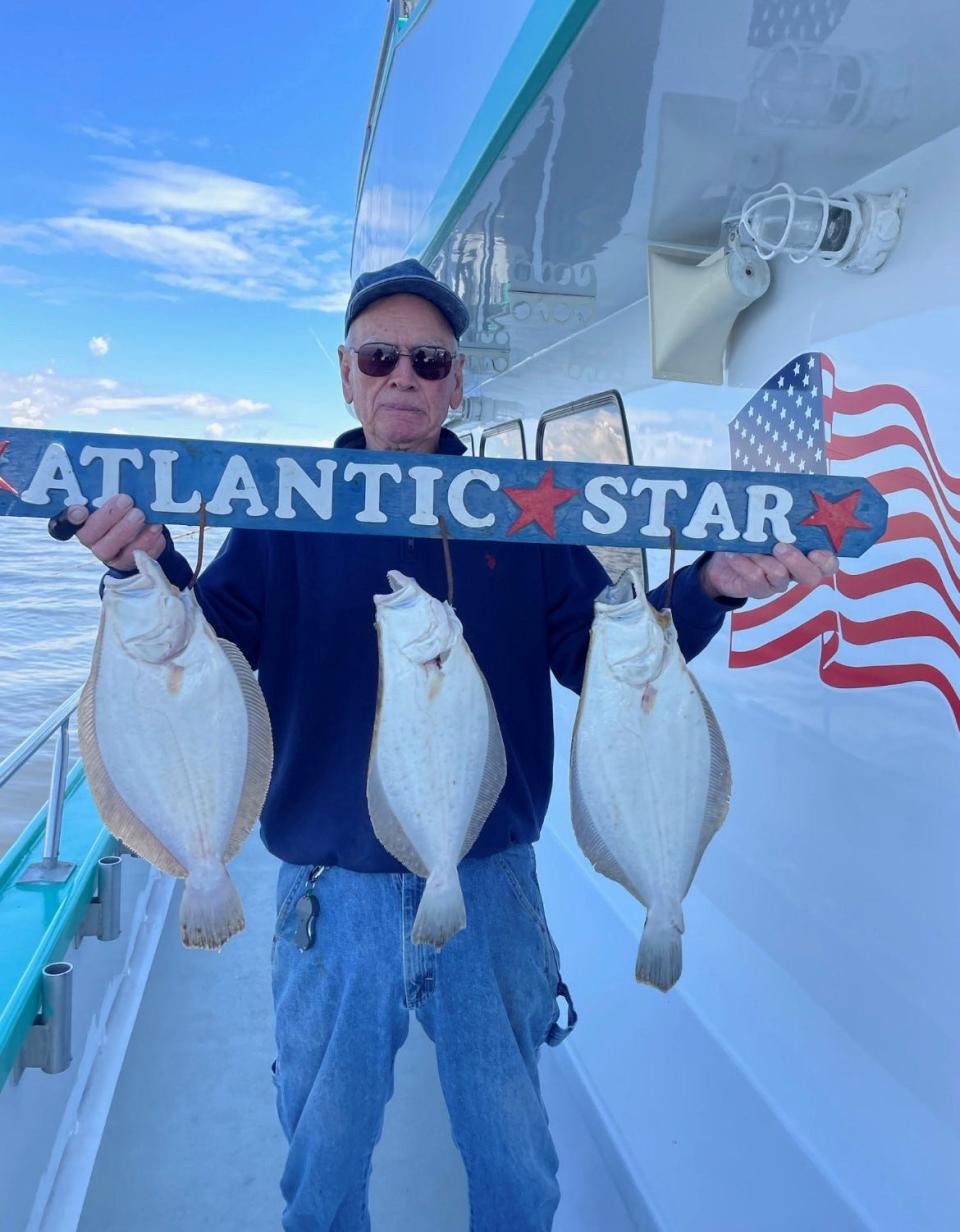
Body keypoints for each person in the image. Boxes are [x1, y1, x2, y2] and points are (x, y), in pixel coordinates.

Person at [64, 259, 837, 1231]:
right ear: (346, 374)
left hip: (492, 881)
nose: (404, 377)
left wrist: (708, 587)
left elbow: (596, 659)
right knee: (325, 1167)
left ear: (457, 381)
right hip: (328, 896)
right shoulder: (283, 513)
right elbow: (205, 648)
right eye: (380, 355)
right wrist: (148, 561)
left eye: (428, 361)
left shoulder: (527, 514)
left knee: (515, 1161)